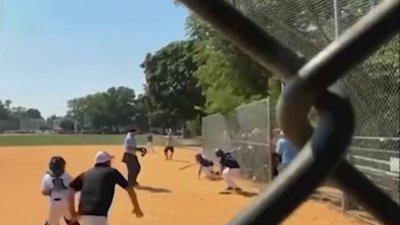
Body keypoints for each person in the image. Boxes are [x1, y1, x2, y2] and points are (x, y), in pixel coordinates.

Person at [67, 150, 143, 225]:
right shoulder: (112, 172)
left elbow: (70, 190)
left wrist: (72, 212)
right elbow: (129, 189)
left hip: (83, 214)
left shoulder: (86, 173)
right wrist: (136, 207)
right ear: (107, 162)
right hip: (98, 215)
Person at [42, 156, 80, 225]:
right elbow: (73, 189)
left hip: (54, 204)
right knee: (71, 220)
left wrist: (51, 191)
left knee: (52, 222)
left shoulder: (47, 177)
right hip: (67, 203)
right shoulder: (67, 176)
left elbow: (44, 191)